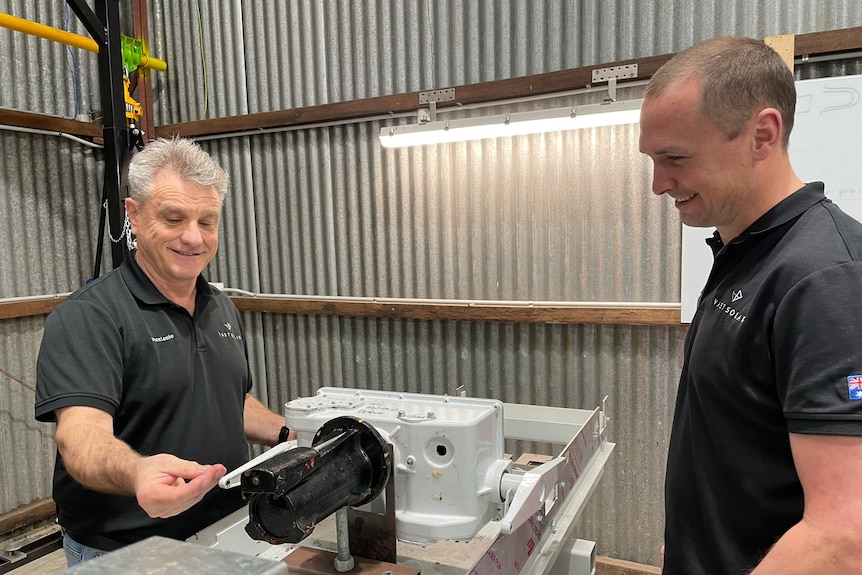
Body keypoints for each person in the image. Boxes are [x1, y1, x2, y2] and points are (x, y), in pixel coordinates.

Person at [640, 37, 862, 574]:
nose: (658, 184)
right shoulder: (745, 252)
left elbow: (844, 536)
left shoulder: (825, 279)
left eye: (675, 158)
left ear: (762, 135)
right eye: (653, 159)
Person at [35, 137, 291, 566]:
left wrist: (291, 433)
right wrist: (137, 472)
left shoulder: (219, 306)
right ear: (134, 215)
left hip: (224, 531)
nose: (193, 238)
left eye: (207, 222)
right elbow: (80, 436)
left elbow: (229, 400)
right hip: (126, 552)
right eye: (173, 218)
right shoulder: (90, 317)